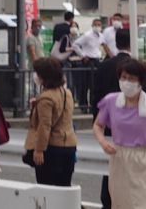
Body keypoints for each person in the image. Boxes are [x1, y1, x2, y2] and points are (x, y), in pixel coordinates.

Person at [94, 58, 146, 209]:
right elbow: (98, 125)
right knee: (121, 203)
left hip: (144, 159)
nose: (126, 82)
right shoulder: (111, 101)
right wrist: (103, 143)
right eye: (123, 77)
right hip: (119, 159)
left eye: (131, 78)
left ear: (141, 82)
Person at [91, 29, 146, 209]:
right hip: (134, 133)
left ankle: (108, 202)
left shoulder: (105, 66)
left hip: (108, 127)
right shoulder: (138, 67)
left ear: (116, 41)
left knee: (110, 169)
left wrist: (99, 122)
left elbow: (94, 97)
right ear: (132, 42)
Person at [24, 57, 76, 186]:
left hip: (52, 148)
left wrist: (39, 149)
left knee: (47, 187)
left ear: (44, 76)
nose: (35, 76)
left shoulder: (46, 98)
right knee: (64, 186)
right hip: (69, 145)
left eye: (37, 73)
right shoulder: (67, 93)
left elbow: (44, 126)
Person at [72, 18, 104, 113]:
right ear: (92, 25)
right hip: (88, 60)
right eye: (95, 24)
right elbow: (75, 44)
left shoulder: (101, 36)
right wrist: (82, 55)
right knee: (85, 84)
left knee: (95, 85)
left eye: (99, 25)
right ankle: (83, 105)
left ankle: (93, 105)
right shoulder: (87, 35)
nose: (97, 26)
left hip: (97, 60)